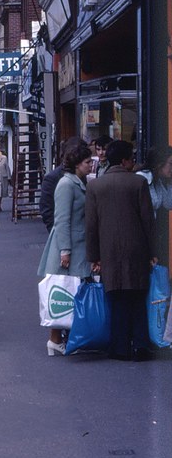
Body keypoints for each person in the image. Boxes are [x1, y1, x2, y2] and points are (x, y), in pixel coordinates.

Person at [85, 140, 157, 361]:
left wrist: (94, 257)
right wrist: (154, 250)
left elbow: (91, 225)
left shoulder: (95, 186)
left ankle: (119, 347)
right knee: (137, 296)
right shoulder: (138, 183)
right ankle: (141, 344)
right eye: (132, 158)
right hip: (137, 249)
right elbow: (148, 221)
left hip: (109, 250)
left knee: (116, 297)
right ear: (125, 160)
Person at [36, 142, 93, 356]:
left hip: (77, 244)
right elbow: (62, 220)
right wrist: (65, 250)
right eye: (88, 162)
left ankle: (62, 339)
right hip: (69, 245)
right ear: (77, 164)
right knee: (64, 291)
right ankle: (55, 339)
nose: (91, 165)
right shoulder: (66, 185)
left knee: (69, 292)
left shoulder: (78, 181)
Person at [40, 137, 89, 231]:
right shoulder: (53, 178)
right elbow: (47, 209)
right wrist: (55, 232)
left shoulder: (83, 175)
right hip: (65, 232)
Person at [136, 144, 172, 214]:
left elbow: (168, 204)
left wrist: (170, 183)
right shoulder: (141, 178)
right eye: (171, 164)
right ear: (160, 163)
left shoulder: (158, 181)